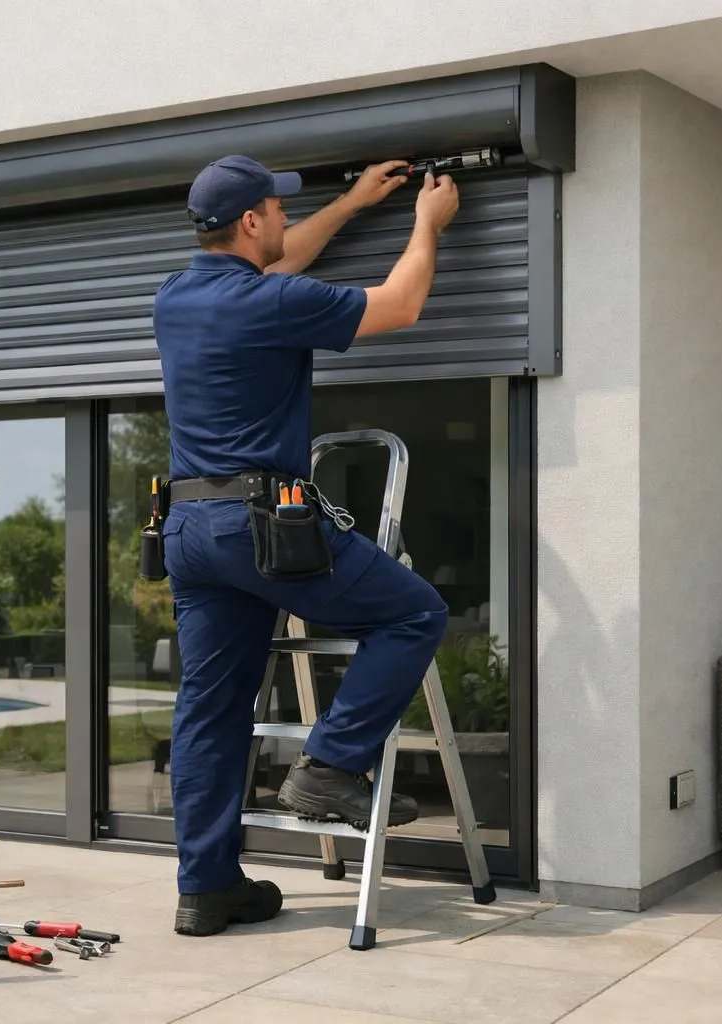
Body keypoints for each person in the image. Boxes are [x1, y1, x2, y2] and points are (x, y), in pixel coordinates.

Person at [151, 153, 462, 937]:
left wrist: (353, 205)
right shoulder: (267, 302)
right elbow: (400, 304)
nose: (288, 219)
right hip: (260, 525)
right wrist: (427, 224)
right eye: (278, 210)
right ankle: (329, 767)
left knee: (210, 709)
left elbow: (282, 262)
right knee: (414, 614)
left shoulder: (178, 296)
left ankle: (207, 889)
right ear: (251, 220)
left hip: (188, 527)